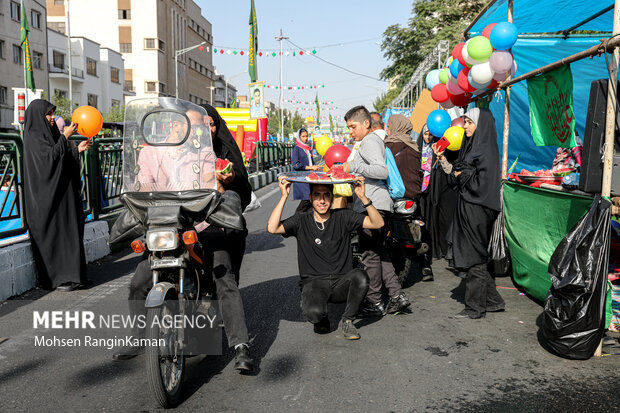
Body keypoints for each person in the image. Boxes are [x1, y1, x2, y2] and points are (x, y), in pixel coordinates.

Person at [115, 106, 254, 372]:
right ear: (168, 125)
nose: (182, 129)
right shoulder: (148, 153)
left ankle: (241, 346)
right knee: (138, 282)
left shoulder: (203, 153)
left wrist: (221, 182)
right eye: (177, 124)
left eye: (189, 126)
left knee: (224, 278)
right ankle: (137, 335)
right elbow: (143, 187)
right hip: (165, 228)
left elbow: (213, 184)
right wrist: (136, 191)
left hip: (202, 226)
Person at [267, 176, 384, 339]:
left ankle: (348, 320)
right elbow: (272, 228)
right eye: (317, 195)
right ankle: (321, 318)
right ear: (310, 198)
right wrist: (284, 196)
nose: (321, 201)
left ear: (332, 197)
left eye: (326, 195)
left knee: (361, 276)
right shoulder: (301, 220)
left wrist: (363, 197)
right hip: (314, 283)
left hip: (341, 282)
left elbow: (377, 223)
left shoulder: (343, 216)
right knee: (315, 314)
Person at [433, 108, 505, 319]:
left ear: (480, 125)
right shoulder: (471, 148)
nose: (464, 126)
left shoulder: (487, 152)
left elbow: (480, 184)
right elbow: (457, 175)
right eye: (464, 122)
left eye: (469, 122)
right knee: (473, 254)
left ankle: (474, 308)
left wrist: (461, 174)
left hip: (478, 209)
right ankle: (493, 301)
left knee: (474, 257)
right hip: (467, 206)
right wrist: (447, 162)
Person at [341, 106, 410, 316]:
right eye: (348, 128)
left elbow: (381, 170)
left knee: (369, 255)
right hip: (379, 204)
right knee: (380, 253)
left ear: (366, 124)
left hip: (374, 205)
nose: (351, 132)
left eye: (353, 127)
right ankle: (397, 296)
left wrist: (352, 168)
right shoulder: (369, 142)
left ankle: (375, 302)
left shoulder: (370, 141)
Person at [23, 99, 92, 292]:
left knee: (70, 230)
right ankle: (57, 279)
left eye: (53, 113)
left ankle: (74, 276)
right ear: (38, 116)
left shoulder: (50, 133)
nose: (53, 118)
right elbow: (47, 162)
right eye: (49, 114)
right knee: (55, 235)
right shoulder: (33, 137)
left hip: (62, 196)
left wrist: (77, 149)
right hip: (45, 199)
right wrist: (65, 138)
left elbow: (59, 155)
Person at [201, 103, 253, 283]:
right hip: (192, 208)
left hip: (223, 206)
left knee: (235, 232)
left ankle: (230, 283)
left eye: (211, 124)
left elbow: (239, 175)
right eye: (202, 124)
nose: (208, 129)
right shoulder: (183, 149)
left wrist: (230, 178)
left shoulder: (226, 148)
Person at [417, 124, 458, 261]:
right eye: (425, 134)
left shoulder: (439, 148)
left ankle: (442, 249)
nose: (428, 137)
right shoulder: (418, 149)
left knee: (440, 219)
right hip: (423, 190)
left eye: (430, 134)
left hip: (439, 189)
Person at [292, 128, 320, 213]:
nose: (305, 138)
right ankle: (296, 218)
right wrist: (311, 168)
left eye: (306, 136)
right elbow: (296, 165)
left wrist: (315, 166)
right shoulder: (297, 149)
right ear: (299, 137)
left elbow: (310, 162)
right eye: (303, 136)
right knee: (307, 199)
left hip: (310, 177)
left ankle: (306, 222)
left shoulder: (307, 148)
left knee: (311, 201)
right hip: (302, 178)